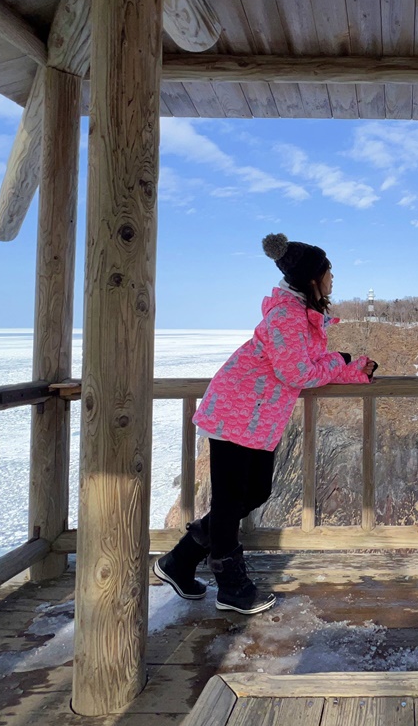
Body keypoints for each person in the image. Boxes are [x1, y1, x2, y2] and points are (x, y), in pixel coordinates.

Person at [153, 233, 377, 615]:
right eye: (328, 270)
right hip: (236, 413)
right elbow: (299, 374)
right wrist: (339, 362)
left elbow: (310, 367)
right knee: (229, 502)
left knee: (254, 491)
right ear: (311, 279)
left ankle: (180, 560)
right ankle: (231, 586)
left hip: (253, 417)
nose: (333, 277)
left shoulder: (303, 317)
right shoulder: (288, 317)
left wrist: (351, 369)